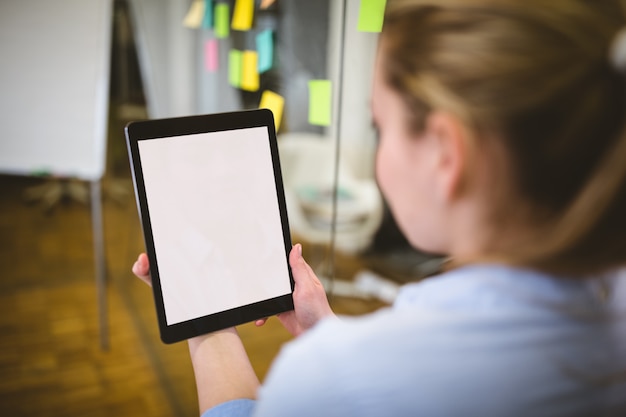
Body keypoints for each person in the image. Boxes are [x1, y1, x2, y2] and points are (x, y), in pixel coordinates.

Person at [132, 0, 626, 415]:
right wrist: (325, 327)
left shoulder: (337, 382)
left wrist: (205, 321)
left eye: (379, 127)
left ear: (445, 153)